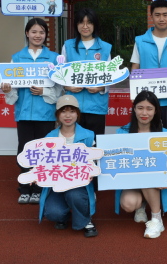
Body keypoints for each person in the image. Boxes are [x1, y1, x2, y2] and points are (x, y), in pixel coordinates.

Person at [2, 17, 63, 205]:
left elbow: (60, 88)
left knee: (44, 151)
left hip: (45, 114)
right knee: (25, 151)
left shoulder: (54, 58)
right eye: (34, 32)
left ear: (46, 35)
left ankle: (39, 188)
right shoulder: (17, 58)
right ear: (27, 33)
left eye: (42, 32)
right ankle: (24, 188)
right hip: (24, 114)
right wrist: (7, 89)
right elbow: (11, 86)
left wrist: (44, 91)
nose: (38, 35)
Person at [115, 91, 167, 239]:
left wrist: (166, 177)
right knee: (128, 204)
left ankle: (156, 219)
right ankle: (141, 204)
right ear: (134, 109)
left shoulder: (165, 134)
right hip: (131, 181)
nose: (144, 113)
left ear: (156, 111)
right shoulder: (122, 133)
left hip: (156, 183)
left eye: (149, 108)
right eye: (140, 108)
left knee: (147, 173)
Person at [38, 95, 98, 237]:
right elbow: (44, 163)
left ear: (77, 113)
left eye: (72, 111)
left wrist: (90, 172)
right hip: (57, 184)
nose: (68, 116)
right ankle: (63, 215)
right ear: (57, 114)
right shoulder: (49, 137)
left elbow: (94, 160)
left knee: (75, 196)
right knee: (53, 213)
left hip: (79, 183)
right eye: (63, 111)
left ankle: (85, 219)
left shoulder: (89, 135)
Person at [131, 0, 167, 132]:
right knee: (145, 137)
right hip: (147, 102)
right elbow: (135, 67)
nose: (161, 19)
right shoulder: (140, 41)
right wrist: (134, 93)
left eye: (165, 15)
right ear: (151, 17)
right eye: (157, 15)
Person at [61, 8, 112, 136]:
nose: (85, 26)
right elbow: (60, 74)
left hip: (96, 107)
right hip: (72, 107)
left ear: (94, 25)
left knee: (95, 143)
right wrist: (68, 87)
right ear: (76, 25)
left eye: (89, 22)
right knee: (73, 143)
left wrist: (100, 88)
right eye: (81, 22)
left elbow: (110, 77)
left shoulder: (105, 48)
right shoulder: (68, 46)